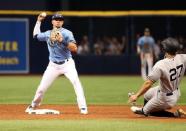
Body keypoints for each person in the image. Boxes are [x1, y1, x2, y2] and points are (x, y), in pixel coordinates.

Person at [25, 12, 88, 114]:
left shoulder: (67, 33)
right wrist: (38, 21)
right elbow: (35, 36)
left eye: (60, 20)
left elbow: (74, 48)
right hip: (53, 65)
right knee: (41, 88)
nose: (58, 21)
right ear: (52, 21)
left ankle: (83, 107)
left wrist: (62, 41)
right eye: (56, 19)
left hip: (67, 64)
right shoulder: (48, 33)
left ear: (62, 22)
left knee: (76, 83)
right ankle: (33, 105)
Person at [128, 37, 186, 117]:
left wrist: (136, 95)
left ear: (165, 49)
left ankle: (175, 114)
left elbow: (148, 83)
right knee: (147, 94)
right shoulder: (183, 58)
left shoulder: (160, 64)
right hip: (175, 92)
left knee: (144, 112)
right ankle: (149, 109)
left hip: (165, 98)